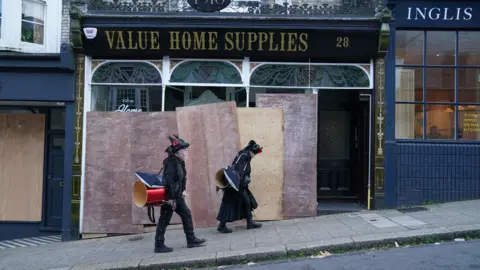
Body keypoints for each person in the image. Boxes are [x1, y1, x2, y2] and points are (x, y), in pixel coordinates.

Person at [154, 134, 206, 253]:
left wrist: (182, 191)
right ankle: (158, 245)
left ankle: (191, 240)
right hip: (170, 197)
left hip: (177, 196)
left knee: (186, 214)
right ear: (178, 151)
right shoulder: (171, 162)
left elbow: (181, 179)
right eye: (184, 150)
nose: (186, 152)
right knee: (164, 219)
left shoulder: (179, 162)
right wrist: (171, 198)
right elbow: (170, 181)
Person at [216, 140, 263, 233]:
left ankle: (250, 222)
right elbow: (240, 172)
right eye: (254, 154)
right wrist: (241, 184)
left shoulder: (242, 154)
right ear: (251, 152)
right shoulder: (245, 156)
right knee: (229, 204)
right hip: (236, 185)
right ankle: (222, 225)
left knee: (247, 201)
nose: (254, 156)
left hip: (238, 185)